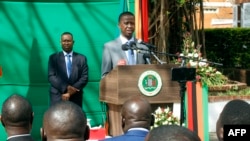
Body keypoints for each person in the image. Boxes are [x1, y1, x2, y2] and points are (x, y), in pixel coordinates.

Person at [101, 11, 149, 78]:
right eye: (126, 23)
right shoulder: (109, 47)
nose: (129, 26)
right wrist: (116, 70)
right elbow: (104, 76)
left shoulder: (143, 46)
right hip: (119, 87)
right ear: (119, 25)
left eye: (132, 23)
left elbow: (149, 72)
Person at [48, 32, 88, 107]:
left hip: (75, 96)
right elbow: (51, 77)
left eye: (69, 41)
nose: (66, 43)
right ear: (60, 42)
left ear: (73, 42)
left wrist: (70, 92)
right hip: (57, 96)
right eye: (64, 41)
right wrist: (66, 87)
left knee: (75, 118)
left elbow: (84, 77)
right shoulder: (53, 58)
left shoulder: (81, 58)